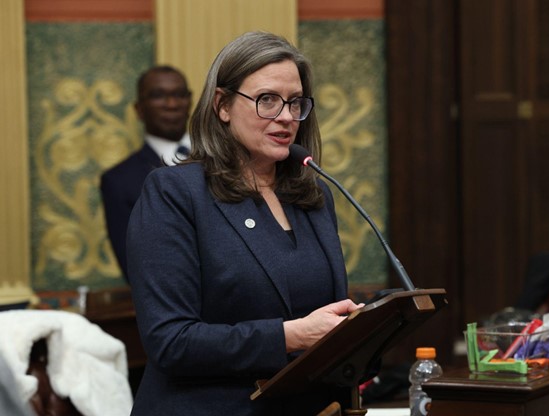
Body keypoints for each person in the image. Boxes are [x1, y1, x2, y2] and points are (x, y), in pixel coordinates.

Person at [126, 31, 363, 415]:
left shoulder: (313, 196)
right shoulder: (175, 193)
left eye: (295, 103)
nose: (286, 117)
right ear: (222, 105)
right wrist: (289, 336)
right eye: (267, 100)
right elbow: (170, 341)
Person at [100, 65, 193, 280]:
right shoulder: (120, 181)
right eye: (158, 96)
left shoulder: (223, 159)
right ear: (139, 109)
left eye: (179, 95)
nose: (171, 104)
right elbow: (134, 266)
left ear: (190, 102)